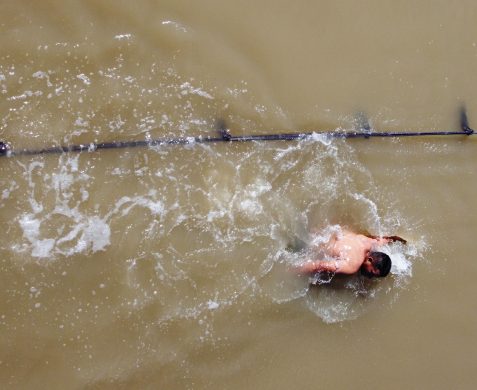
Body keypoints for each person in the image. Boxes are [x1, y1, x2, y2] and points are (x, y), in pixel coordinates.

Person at [295, 227, 406, 278]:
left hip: (315, 231)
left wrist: (403, 241)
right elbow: (319, 265)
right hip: (305, 245)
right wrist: (293, 271)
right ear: (370, 259)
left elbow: (390, 239)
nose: (370, 277)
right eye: (372, 273)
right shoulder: (352, 266)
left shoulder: (369, 242)